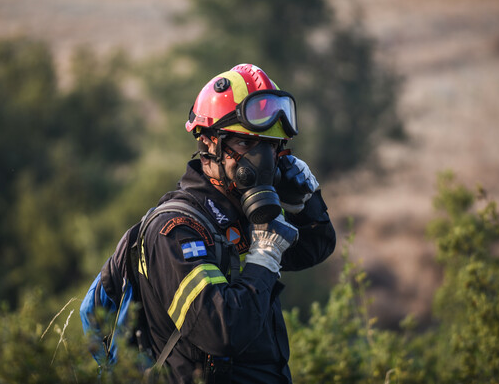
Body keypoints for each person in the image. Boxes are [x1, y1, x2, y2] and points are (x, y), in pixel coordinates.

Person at [87, 63, 336, 383]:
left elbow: (315, 247)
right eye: (247, 144)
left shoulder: (242, 215)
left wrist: (304, 201)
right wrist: (263, 256)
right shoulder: (176, 229)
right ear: (207, 143)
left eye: (270, 146)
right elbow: (220, 331)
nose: (262, 160)